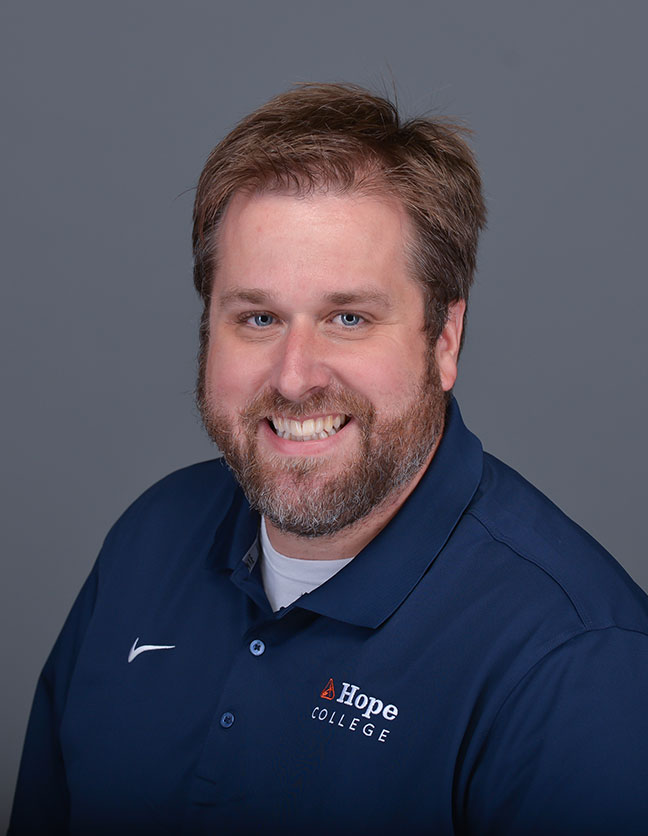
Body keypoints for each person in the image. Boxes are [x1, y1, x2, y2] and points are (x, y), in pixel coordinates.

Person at [9, 83, 648, 836]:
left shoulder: (577, 663)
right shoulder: (149, 541)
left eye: (349, 317)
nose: (294, 377)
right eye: (258, 318)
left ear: (444, 340)